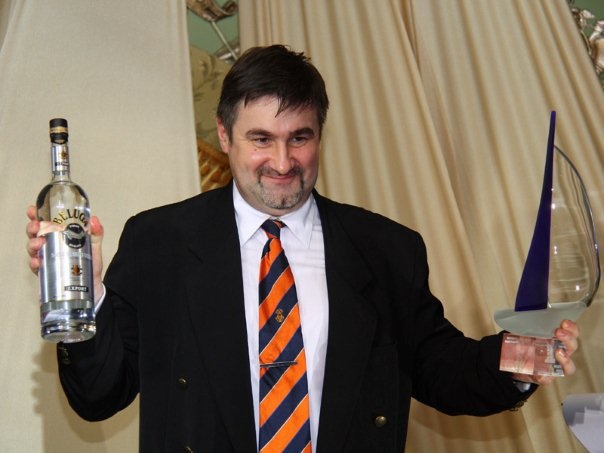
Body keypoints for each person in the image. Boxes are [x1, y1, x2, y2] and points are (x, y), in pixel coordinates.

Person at [26, 45, 580, 453]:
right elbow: (98, 396)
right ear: (225, 135)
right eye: (261, 139)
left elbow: (441, 366)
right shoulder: (160, 242)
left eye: (300, 137)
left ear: (321, 132)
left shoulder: (385, 248)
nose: (284, 163)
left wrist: (521, 356)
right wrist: (83, 295)